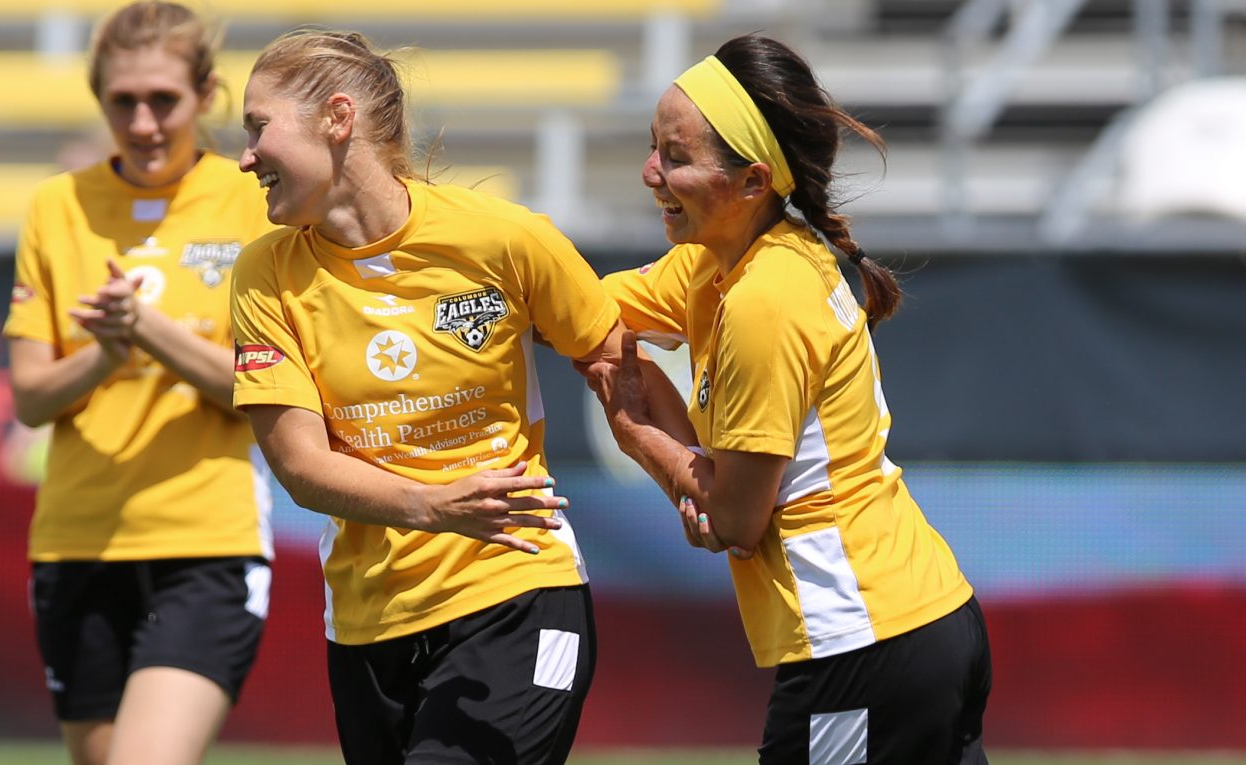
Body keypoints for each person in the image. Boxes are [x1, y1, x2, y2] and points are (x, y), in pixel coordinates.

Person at [227, 29, 664, 765]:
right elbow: (300, 467)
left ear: (337, 119)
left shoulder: (502, 237)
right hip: (368, 627)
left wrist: (691, 477)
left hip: (519, 587)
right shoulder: (263, 275)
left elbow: (613, 360)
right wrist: (432, 505)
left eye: (257, 127)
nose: (244, 156)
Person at [581, 34, 993, 764]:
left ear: (751, 182)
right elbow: (586, 309)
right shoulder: (731, 257)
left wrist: (634, 426)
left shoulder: (764, 298)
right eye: (654, 147)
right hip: (915, 623)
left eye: (676, 157)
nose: (651, 172)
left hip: (863, 642)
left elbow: (736, 517)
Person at [2, 3, 277, 764]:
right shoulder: (57, 204)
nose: (145, 120)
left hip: (205, 542)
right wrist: (105, 351)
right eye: (123, 101)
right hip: (75, 541)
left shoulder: (252, 201)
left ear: (206, 95)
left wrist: (145, 327)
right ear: (100, 99)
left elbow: (264, 385)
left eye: (164, 99)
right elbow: (30, 398)